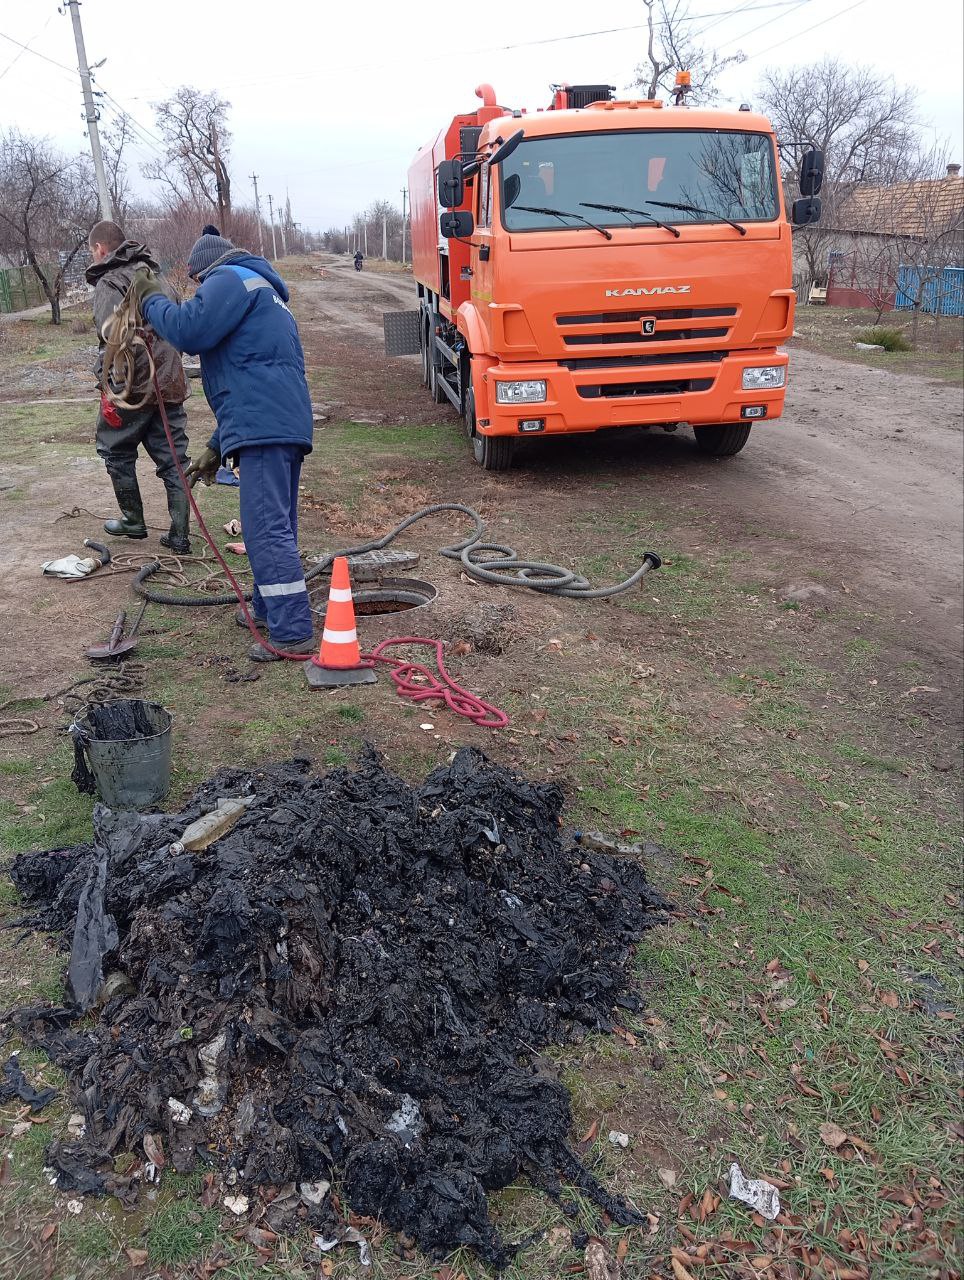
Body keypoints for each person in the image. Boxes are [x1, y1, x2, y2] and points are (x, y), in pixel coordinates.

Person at [131, 226, 315, 661]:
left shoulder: (229, 279)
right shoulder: (264, 291)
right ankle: (271, 610)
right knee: (275, 524)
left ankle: (292, 632)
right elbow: (254, 375)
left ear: (203, 271)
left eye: (197, 284)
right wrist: (217, 445)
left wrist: (150, 298)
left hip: (264, 427)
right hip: (279, 424)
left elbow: (189, 330)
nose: (199, 291)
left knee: (265, 528)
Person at [86, 221, 192, 552]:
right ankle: (180, 536)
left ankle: (133, 521)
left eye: (93, 251)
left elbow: (111, 334)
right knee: (174, 460)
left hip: (131, 386)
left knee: (116, 450)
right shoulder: (157, 276)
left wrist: (105, 377)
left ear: (101, 249)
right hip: (170, 382)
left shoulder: (110, 281)